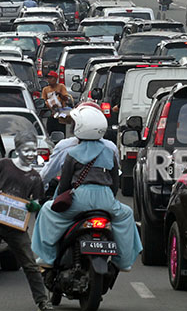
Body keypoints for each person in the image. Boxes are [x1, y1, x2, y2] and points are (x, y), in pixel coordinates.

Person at [32, 105, 142, 271]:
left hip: (80, 198)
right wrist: (109, 200)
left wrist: (60, 201)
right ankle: (124, 262)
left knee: (48, 210)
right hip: (106, 199)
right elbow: (114, 182)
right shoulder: (110, 151)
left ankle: (47, 257)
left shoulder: (71, 152)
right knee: (126, 215)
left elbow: (64, 185)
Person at [0, 130, 51, 311]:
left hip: (16, 226)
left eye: (34, 150)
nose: (31, 154)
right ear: (17, 150)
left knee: (31, 265)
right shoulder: (4, 165)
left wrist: (34, 206)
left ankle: (42, 301)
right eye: (27, 150)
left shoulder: (34, 177)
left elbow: (37, 200)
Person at [40, 71, 72, 136]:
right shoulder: (45, 89)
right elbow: (43, 101)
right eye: (48, 78)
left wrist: (60, 94)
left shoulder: (61, 87)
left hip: (60, 115)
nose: (48, 80)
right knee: (50, 132)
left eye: (50, 78)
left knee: (61, 132)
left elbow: (66, 98)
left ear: (55, 79)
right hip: (51, 114)